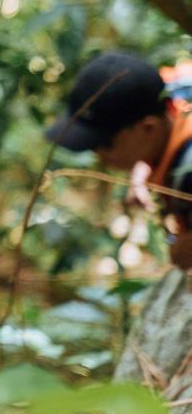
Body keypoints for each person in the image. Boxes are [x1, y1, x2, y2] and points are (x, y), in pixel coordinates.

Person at [46, 51, 192, 268]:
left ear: (148, 128)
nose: (97, 155)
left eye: (105, 145)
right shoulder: (173, 87)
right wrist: (143, 166)